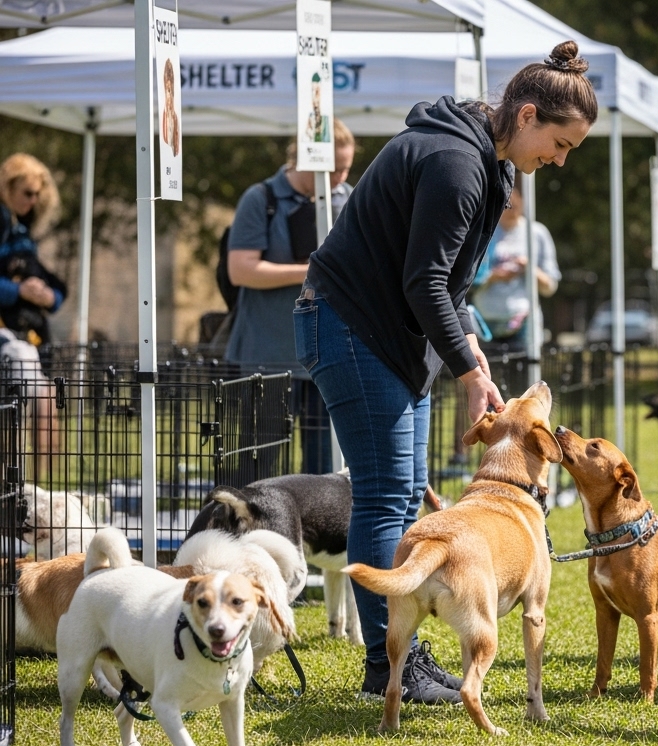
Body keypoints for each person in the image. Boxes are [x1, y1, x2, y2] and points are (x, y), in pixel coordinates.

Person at [294, 41, 597, 705]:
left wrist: (472, 350)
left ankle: (403, 656)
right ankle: (385, 668)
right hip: (348, 325)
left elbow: (451, 280)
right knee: (385, 491)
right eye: (560, 142)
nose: (560, 160)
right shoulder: (456, 163)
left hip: (392, 338)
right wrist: (464, 371)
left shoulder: (489, 168)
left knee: (407, 495)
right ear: (525, 115)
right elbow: (423, 278)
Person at [226, 118, 357, 476]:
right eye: (334, 169)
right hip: (267, 357)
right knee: (257, 467)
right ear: (306, 158)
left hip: (326, 357)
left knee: (323, 469)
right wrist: (314, 270)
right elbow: (241, 269)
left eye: (346, 168)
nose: (341, 178)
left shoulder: (346, 199)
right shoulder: (261, 199)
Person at [0, 153, 66, 474]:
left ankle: (40, 486)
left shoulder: (22, 230)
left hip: (31, 335)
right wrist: (18, 291)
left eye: (38, 193)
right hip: (8, 339)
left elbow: (56, 289)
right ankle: (12, 487)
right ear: (7, 188)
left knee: (45, 402)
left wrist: (47, 295)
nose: (33, 199)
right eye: (27, 193)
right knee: (18, 411)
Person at [473, 172, 561, 351]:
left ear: (523, 201)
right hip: (485, 321)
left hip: (523, 322)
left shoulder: (537, 234)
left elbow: (550, 286)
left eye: (515, 202)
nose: (510, 207)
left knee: (525, 375)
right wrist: (494, 277)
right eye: (506, 203)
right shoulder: (483, 232)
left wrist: (528, 268)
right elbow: (464, 280)